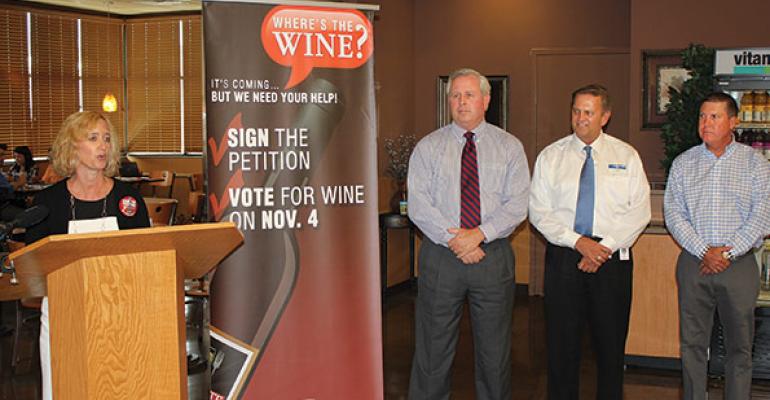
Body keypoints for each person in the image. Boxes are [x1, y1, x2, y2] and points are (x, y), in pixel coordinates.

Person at [407, 68, 529, 400]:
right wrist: (457, 240)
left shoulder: (509, 147)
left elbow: (518, 204)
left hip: (492, 256)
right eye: (455, 96)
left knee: (494, 353)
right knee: (432, 351)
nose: (461, 102)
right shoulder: (428, 147)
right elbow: (418, 205)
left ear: (486, 100)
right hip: (440, 257)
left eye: (469, 95)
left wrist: (478, 235)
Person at [529, 84, 651, 400]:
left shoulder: (626, 155)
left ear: (605, 116)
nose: (581, 118)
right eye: (576, 111)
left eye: (589, 112)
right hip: (565, 255)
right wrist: (579, 243)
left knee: (610, 347)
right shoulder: (551, 157)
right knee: (561, 345)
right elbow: (539, 212)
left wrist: (602, 247)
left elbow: (639, 212)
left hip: (611, 258)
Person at [25, 110, 150, 400]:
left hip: (119, 315)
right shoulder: (48, 202)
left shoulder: (127, 199)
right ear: (72, 146)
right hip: (62, 313)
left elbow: (145, 256)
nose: (103, 146)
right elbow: (34, 262)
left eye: (106, 139)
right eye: (93, 138)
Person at [664, 92, 770, 400]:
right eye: (702, 116)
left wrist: (727, 252)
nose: (706, 123)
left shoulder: (755, 164)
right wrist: (703, 250)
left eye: (714, 116)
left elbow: (761, 214)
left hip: (738, 265)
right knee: (692, 344)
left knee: (739, 347)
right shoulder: (684, 163)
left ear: (733, 122)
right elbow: (674, 213)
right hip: (694, 263)